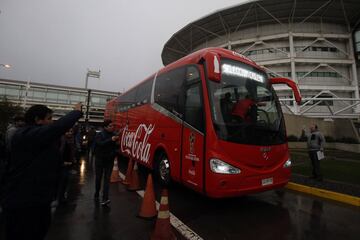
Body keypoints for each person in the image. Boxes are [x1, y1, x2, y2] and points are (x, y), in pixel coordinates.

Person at [1, 103, 82, 240]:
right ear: (38, 120)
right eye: (49, 118)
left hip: (38, 198)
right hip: (25, 201)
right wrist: (75, 112)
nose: (51, 122)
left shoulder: (36, 137)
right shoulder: (27, 135)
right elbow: (57, 128)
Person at [94, 120, 119, 206]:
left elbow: (116, 147)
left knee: (107, 180)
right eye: (110, 126)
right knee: (98, 178)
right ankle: (97, 192)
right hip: (100, 160)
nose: (112, 127)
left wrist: (116, 146)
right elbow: (100, 144)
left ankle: (105, 198)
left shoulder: (114, 135)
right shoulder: (99, 135)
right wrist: (111, 140)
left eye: (113, 126)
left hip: (109, 160)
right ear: (105, 127)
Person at [57, 128, 76, 204]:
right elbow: (59, 152)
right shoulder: (61, 139)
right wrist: (62, 162)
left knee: (66, 180)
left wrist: (73, 159)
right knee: (62, 180)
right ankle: (60, 198)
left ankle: (62, 196)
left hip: (69, 163)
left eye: (71, 131)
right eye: (68, 131)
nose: (70, 133)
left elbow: (72, 151)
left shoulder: (72, 140)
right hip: (62, 163)